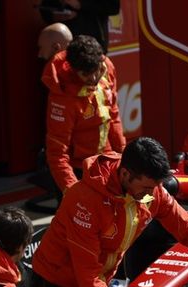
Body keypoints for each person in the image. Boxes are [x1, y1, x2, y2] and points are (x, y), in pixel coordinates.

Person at [31, 136, 188, 287]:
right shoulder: (85, 201)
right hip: (57, 286)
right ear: (125, 174)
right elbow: (88, 273)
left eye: (156, 187)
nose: (152, 193)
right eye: (147, 188)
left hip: (97, 283)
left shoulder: (152, 191)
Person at [43, 34, 126, 194]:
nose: (94, 78)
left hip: (107, 162)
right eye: (86, 74)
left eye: (96, 70)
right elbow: (57, 152)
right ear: (74, 70)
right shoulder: (63, 95)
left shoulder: (107, 67)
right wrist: (72, 191)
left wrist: (124, 156)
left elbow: (114, 115)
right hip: (77, 170)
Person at [39, 0, 120, 53]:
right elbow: (45, 6)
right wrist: (53, 16)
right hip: (63, 47)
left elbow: (113, 7)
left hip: (93, 47)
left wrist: (81, 4)